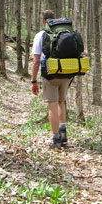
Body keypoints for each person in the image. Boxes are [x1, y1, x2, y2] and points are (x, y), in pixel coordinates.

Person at [31, 10, 72, 149]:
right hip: (66, 72)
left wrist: (33, 81)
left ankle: (56, 139)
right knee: (61, 102)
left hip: (50, 73)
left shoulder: (40, 35)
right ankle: (63, 131)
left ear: (43, 21)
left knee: (53, 104)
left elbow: (36, 61)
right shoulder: (64, 32)